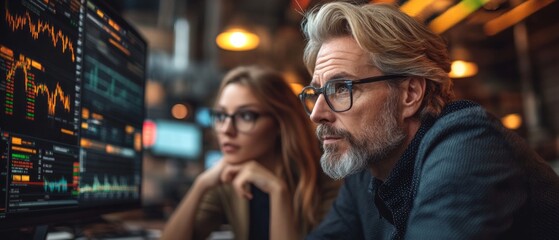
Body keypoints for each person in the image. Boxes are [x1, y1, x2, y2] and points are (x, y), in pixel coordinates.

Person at [298, 2, 559, 239]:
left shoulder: (467, 142)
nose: (316, 113)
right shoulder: (365, 170)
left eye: (340, 89)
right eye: (316, 92)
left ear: (409, 94)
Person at [161, 65, 340, 240]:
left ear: (280, 123)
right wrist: (201, 184)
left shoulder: (328, 180)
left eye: (246, 116)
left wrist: (277, 191)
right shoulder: (227, 178)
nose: (226, 129)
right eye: (221, 116)